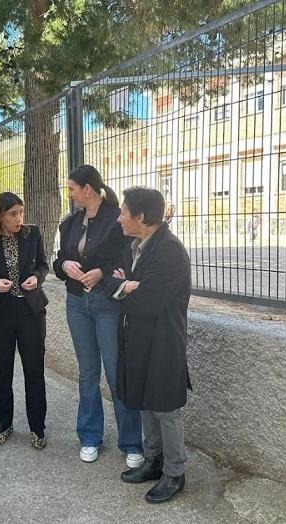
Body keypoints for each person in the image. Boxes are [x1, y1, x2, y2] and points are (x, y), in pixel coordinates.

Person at [103, 186, 192, 504]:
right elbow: (116, 283)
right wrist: (124, 286)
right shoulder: (135, 246)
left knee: (166, 410)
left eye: (124, 211)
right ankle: (153, 462)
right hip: (138, 341)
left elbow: (148, 304)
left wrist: (122, 289)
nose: (119, 217)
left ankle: (174, 473)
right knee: (144, 402)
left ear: (140, 216)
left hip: (163, 342)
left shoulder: (169, 251)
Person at [53, 164, 144, 468]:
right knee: (87, 372)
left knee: (117, 372)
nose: (70, 193)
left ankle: (132, 442)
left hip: (107, 303)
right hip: (77, 303)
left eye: (72, 188)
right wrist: (64, 266)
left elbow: (126, 257)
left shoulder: (116, 218)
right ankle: (90, 437)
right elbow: (60, 259)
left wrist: (101, 272)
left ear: (87, 189)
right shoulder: (70, 223)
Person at [0, 192, 49, 450]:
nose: (20, 218)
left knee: (34, 370)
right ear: (0, 216)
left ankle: (37, 428)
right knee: (2, 370)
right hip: (1, 314)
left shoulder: (33, 233)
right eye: (13, 214)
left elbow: (43, 265)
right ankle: (4, 424)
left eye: (21, 212)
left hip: (31, 312)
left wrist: (37, 279)